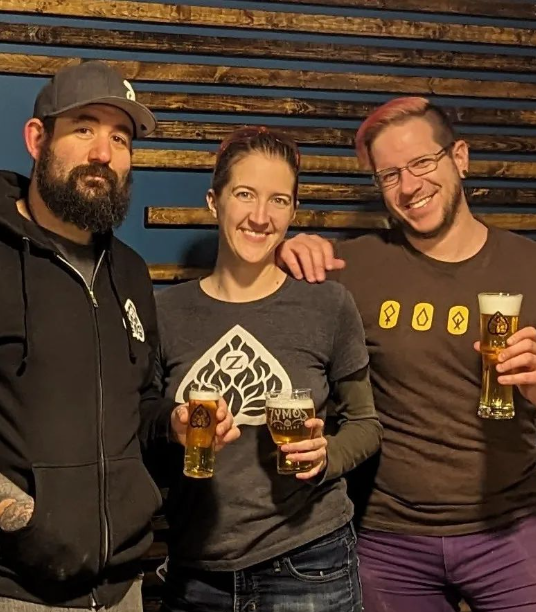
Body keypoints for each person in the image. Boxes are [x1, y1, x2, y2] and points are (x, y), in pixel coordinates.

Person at [0, 60, 238, 612]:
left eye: (120, 138)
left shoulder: (127, 271)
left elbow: (139, 404)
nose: (103, 153)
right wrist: (16, 511)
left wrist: (172, 425)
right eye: (84, 128)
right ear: (38, 139)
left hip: (120, 589)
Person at [276, 96, 536, 612]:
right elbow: (265, 296)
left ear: (459, 157)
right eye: (389, 174)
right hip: (386, 535)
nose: (410, 186)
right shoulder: (354, 265)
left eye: (422, 162)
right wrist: (286, 248)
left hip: (510, 527)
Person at [154, 127, 382, 612]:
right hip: (197, 568)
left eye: (278, 200)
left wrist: (327, 457)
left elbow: (366, 425)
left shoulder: (328, 305)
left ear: (293, 212)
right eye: (244, 195)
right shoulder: (165, 312)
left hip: (309, 560)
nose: (261, 216)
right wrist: (172, 430)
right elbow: (141, 433)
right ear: (214, 202)